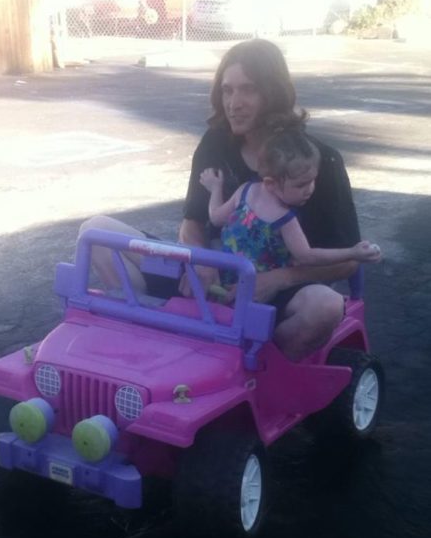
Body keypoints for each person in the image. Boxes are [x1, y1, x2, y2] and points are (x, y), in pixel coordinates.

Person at [79, 38, 363, 361]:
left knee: (325, 307)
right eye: (227, 91)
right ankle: (147, 336)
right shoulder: (215, 143)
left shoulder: (320, 161)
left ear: (274, 93)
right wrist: (199, 260)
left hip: (276, 290)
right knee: (95, 231)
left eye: (248, 89)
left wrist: (279, 279)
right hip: (209, 279)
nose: (234, 103)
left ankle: (261, 368)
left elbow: (349, 261)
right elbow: (193, 222)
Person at [199, 123, 381, 296]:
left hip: (228, 279)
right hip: (253, 290)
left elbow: (215, 217)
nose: (310, 189)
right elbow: (307, 256)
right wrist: (352, 252)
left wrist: (216, 189)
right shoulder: (284, 219)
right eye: (301, 184)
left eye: (313, 180)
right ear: (270, 183)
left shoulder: (245, 191)